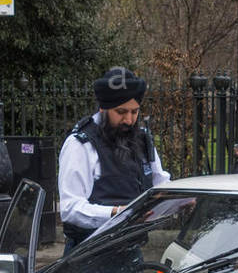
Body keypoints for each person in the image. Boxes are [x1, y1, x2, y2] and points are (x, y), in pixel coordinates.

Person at [58, 66, 170, 253]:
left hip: (131, 249)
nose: (129, 120)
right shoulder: (80, 145)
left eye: (134, 112)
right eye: (121, 112)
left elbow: (160, 182)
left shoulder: (142, 140)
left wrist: (178, 198)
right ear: (103, 108)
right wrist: (116, 213)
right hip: (87, 255)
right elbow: (70, 209)